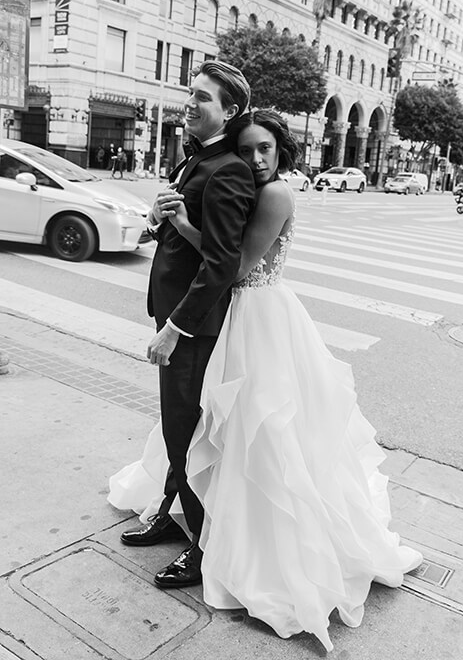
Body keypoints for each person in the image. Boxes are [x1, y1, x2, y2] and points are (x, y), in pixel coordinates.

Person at [109, 108, 422, 652]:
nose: (255, 159)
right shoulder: (248, 185)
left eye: (265, 151)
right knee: (214, 426)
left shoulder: (275, 195)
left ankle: (232, 544)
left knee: (260, 429)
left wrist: (182, 222)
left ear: (282, 153)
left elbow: (235, 264)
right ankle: (190, 516)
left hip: (259, 317)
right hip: (236, 317)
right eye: (248, 148)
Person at [109, 62, 256, 585]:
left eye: (203, 98)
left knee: (186, 433)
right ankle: (173, 517)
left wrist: (175, 327)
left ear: (229, 111)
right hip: (174, 317)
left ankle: (201, 545)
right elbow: (178, 232)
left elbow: (221, 264)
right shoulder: (194, 160)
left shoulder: (229, 170)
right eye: (190, 93)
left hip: (192, 330)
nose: (190, 103)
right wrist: (156, 220)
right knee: (176, 430)